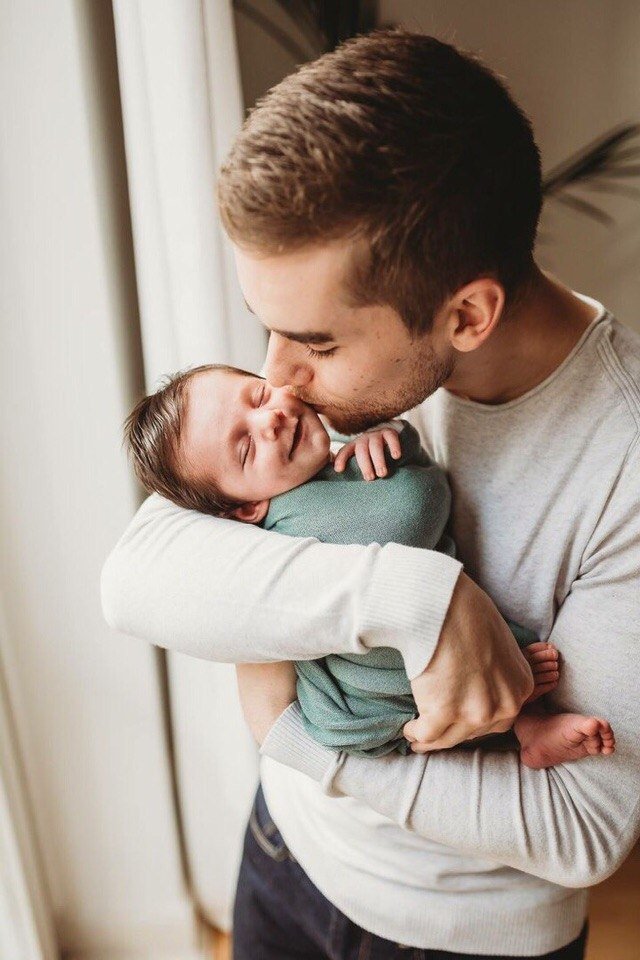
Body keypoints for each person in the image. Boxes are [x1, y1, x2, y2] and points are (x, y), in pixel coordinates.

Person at [102, 30, 640, 960]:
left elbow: (583, 830)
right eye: (264, 331)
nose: (278, 381)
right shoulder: (327, 397)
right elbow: (137, 573)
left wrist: (300, 743)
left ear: (467, 315)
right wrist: (419, 600)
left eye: (312, 343)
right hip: (285, 851)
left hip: (467, 937)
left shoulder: (623, 464)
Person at [123, 363, 612, 766]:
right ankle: (522, 722)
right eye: (247, 448)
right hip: (363, 700)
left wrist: (388, 437)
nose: (269, 420)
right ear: (245, 510)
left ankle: (530, 726)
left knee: (497, 663)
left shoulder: (340, 456)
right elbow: (410, 512)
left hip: (408, 697)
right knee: (498, 660)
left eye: (257, 397)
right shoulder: (280, 522)